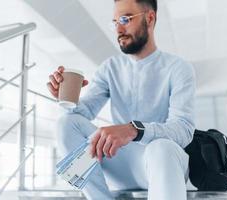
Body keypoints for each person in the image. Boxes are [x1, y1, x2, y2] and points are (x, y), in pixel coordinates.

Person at [47, 0, 196, 199]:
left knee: (161, 147)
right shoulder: (109, 68)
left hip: (161, 164)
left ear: (150, 18)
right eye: (115, 22)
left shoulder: (178, 68)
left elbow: (183, 130)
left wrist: (134, 129)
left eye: (125, 19)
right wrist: (65, 100)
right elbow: (81, 115)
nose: (118, 28)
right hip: (119, 164)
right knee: (66, 122)